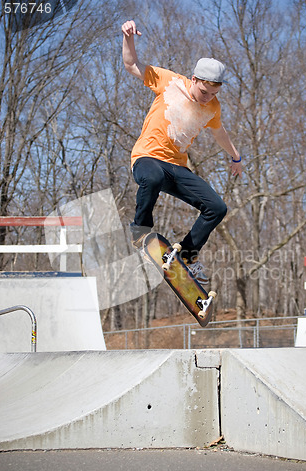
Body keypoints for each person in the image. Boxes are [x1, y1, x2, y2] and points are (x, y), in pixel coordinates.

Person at [122, 20, 242, 285]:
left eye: (213, 93)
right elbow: (132, 65)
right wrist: (127, 37)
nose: (207, 97)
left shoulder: (213, 107)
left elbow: (219, 132)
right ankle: (140, 232)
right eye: (203, 90)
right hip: (147, 158)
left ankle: (187, 256)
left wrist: (236, 156)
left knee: (216, 207)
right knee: (152, 178)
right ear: (194, 79)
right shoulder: (169, 82)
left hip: (177, 168)